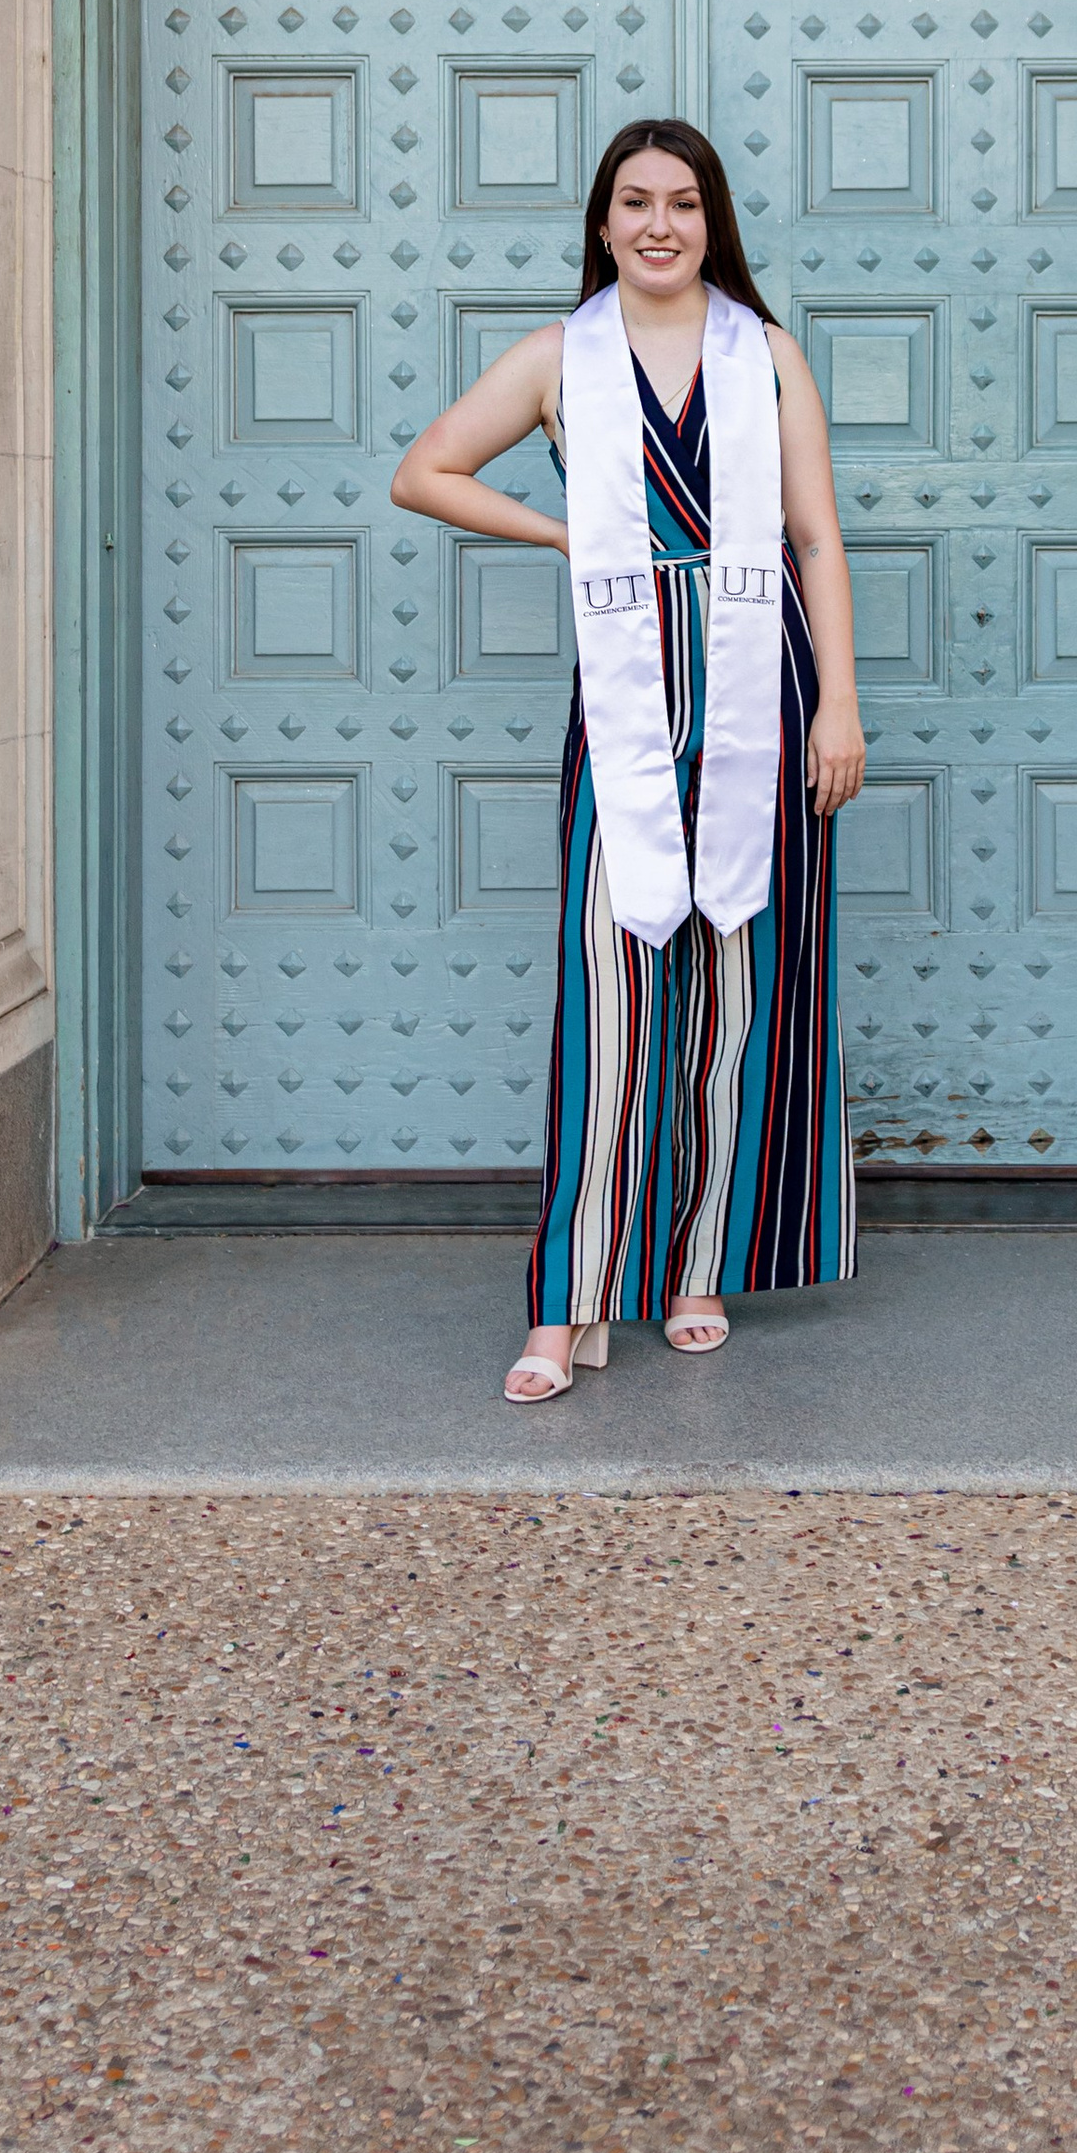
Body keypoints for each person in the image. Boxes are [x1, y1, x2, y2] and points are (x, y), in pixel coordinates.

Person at [390, 119, 865, 1400]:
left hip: (766, 691)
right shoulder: (560, 357)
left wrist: (839, 707)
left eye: (685, 202)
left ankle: (701, 1266)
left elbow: (816, 539)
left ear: (713, 223)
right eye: (636, 201)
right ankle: (566, 1301)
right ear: (602, 222)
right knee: (610, 1001)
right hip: (628, 693)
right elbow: (423, 472)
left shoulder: (765, 355)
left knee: (737, 992)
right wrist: (566, 536)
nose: (661, 224)